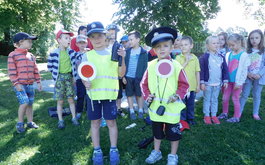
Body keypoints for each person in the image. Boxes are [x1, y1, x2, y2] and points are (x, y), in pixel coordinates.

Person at [141, 27, 189, 165]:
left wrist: (178, 95)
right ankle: (157, 152)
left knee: (173, 133)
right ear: (154, 50)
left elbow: (184, 85)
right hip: (156, 108)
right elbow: (143, 85)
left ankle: (173, 155)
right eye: (158, 47)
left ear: (172, 47)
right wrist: (147, 96)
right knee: (157, 132)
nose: (162, 49)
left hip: (171, 107)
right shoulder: (150, 66)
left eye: (165, 46)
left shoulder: (176, 66)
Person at [81, 21, 126, 165]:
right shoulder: (87, 56)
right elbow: (83, 75)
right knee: (95, 123)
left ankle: (114, 149)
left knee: (111, 122)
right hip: (93, 96)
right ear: (90, 39)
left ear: (105, 36)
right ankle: (97, 150)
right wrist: (84, 82)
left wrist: (123, 58)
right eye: (93, 37)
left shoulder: (113, 54)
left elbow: (121, 74)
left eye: (99, 35)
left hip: (110, 96)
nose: (97, 39)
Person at [8, 32, 42, 133]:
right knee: (24, 102)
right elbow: (12, 71)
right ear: (21, 42)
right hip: (20, 85)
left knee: (30, 103)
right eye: (29, 41)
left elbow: (35, 69)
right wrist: (16, 84)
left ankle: (30, 122)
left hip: (30, 84)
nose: (31, 43)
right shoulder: (13, 55)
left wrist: (38, 82)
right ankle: (20, 123)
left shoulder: (31, 55)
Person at [47, 29, 80, 129]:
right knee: (60, 101)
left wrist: (85, 52)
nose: (69, 40)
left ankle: (74, 118)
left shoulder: (71, 52)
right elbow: (49, 67)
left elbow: (80, 56)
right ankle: (60, 120)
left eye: (69, 38)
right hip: (59, 78)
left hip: (69, 77)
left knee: (71, 99)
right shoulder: (53, 53)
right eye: (66, 38)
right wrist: (55, 74)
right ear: (59, 40)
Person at [218, 33, 250, 123]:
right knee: (225, 98)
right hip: (228, 82)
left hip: (237, 83)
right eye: (229, 45)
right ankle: (224, 113)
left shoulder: (244, 55)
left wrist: (239, 83)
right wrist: (224, 80)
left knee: (235, 98)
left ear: (239, 43)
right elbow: (225, 68)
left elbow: (244, 71)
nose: (231, 47)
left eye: (233, 45)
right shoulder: (228, 54)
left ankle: (236, 117)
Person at [199, 36, 228, 124]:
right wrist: (202, 82)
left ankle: (214, 115)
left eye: (218, 43)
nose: (216, 45)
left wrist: (225, 80)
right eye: (214, 43)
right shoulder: (204, 57)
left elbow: (225, 70)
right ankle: (207, 115)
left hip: (217, 83)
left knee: (215, 99)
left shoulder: (221, 57)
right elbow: (202, 71)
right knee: (207, 99)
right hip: (208, 83)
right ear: (208, 46)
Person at [240, 29, 265, 120]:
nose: (254, 40)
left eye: (256, 38)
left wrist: (260, 74)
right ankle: (238, 112)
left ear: (261, 39)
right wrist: (247, 73)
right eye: (252, 38)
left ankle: (255, 113)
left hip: (259, 77)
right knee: (244, 94)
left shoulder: (263, 51)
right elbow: (242, 64)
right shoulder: (246, 51)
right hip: (248, 77)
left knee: (256, 95)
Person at [176, 36, 200, 125]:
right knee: (181, 104)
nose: (183, 47)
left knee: (191, 104)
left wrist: (198, 85)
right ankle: (182, 120)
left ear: (191, 46)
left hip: (192, 87)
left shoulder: (195, 58)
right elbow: (178, 70)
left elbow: (197, 72)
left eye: (186, 45)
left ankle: (190, 118)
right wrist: (186, 61)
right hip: (181, 87)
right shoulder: (178, 58)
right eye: (181, 45)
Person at [123, 31, 148, 119]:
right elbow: (123, 64)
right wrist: (123, 76)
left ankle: (140, 110)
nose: (129, 42)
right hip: (128, 77)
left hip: (139, 78)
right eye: (128, 40)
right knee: (129, 94)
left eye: (131, 39)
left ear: (138, 39)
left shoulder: (144, 53)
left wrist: (144, 79)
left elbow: (146, 67)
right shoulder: (127, 52)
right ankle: (131, 111)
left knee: (139, 94)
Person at [75, 34, 89, 120]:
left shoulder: (90, 53)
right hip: (80, 79)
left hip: (89, 78)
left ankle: (88, 110)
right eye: (80, 43)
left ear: (87, 43)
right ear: (77, 44)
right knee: (80, 96)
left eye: (83, 42)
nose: (82, 44)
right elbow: (75, 66)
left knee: (89, 95)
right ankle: (79, 111)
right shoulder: (75, 54)